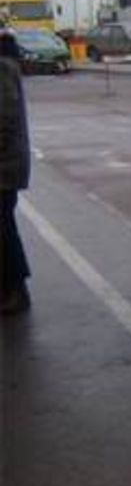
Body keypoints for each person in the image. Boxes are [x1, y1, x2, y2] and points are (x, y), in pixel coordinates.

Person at [0, 28, 31, 314]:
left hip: (5, 164)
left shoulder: (2, 65)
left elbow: (5, 116)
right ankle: (10, 287)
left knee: (3, 227)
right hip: (8, 161)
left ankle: (16, 289)